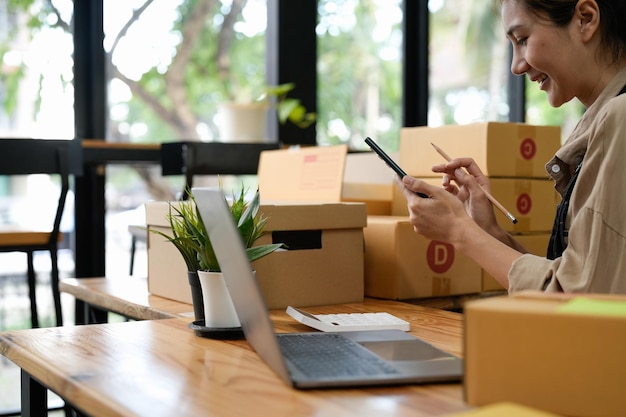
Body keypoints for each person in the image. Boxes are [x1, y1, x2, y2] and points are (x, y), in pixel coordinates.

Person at [397, 0, 626, 293]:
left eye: (522, 40)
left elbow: (577, 298)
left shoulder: (619, 116)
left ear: (585, 18)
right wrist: (489, 231)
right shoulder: (601, 122)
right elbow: (570, 277)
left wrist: (458, 229)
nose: (517, 66)